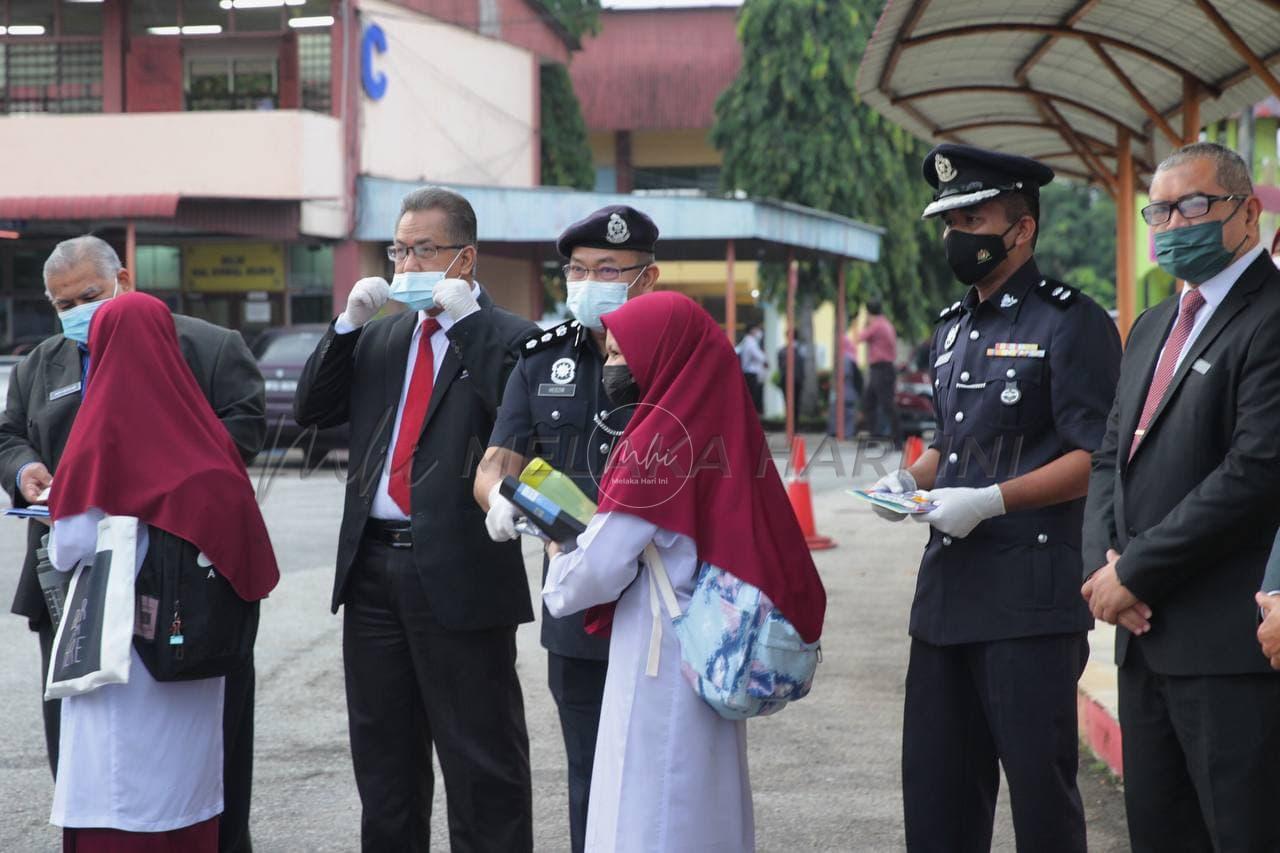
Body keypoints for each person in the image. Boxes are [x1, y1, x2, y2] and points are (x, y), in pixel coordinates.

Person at [869, 144, 1122, 853]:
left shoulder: (1070, 321)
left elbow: (1094, 456)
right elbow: (952, 442)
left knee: (1041, 802)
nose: (958, 236)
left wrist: (990, 500)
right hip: (947, 597)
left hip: (1028, 602)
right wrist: (908, 481)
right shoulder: (951, 327)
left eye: (973, 220)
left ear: (1022, 228)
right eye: (951, 222)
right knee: (938, 798)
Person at [0, 235, 265, 853]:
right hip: (73, 591)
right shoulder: (43, 362)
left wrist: (160, 475)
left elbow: (245, 430)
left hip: (184, 583)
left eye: (88, 297)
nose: (77, 314)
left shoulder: (207, 345)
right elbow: (9, 433)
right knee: (84, 745)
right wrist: (24, 470)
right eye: (63, 304)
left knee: (208, 748)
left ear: (122, 278)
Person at [294, 186, 538, 852]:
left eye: (423, 250)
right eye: (398, 250)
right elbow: (311, 409)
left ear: (465, 258)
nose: (406, 264)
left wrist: (468, 325)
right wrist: (347, 325)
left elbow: (523, 419)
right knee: (386, 768)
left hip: (459, 572)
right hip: (373, 569)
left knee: (482, 765)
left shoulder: (515, 338)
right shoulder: (384, 336)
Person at [541, 290, 825, 852]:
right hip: (705, 644)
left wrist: (557, 558)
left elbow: (597, 569)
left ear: (659, 355)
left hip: (661, 652)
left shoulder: (656, 439)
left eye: (619, 355)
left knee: (651, 810)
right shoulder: (713, 421)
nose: (610, 367)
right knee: (701, 804)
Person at [1081, 142, 1280, 852]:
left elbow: (1255, 472)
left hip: (1227, 650)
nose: (1172, 224)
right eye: (1159, 211)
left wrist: (1136, 571)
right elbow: (1110, 458)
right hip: (1143, 642)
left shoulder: (1271, 317)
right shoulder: (1151, 326)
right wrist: (1102, 566)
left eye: (1193, 205)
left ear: (1248, 213)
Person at [474, 205, 659, 853]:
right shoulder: (541, 358)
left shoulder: (680, 355)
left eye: (607, 270)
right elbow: (496, 463)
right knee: (589, 772)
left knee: (663, 773)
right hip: (579, 602)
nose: (587, 283)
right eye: (577, 270)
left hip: (664, 600)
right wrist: (500, 500)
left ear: (646, 277)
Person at [856, 300, 902, 446]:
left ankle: (898, 440)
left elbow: (859, 337)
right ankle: (875, 438)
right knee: (870, 402)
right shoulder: (886, 323)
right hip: (883, 368)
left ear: (869, 312)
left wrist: (864, 323)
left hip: (881, 368)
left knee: (886, 404)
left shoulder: (876, 325)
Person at [737, 322, 767, 414]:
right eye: (756, 329)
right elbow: (760, 357)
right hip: (751, 373)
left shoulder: (745, 341)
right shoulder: (751, 342)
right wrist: (766, 359)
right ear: (752, 330)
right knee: (753, 398)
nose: (758, 332)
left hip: (747, 372)